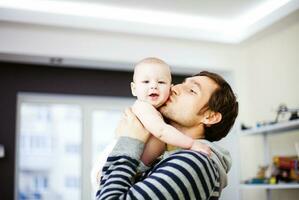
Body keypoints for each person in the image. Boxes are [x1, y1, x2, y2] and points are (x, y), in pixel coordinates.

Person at [96, 70, 238, 199]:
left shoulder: (194, 162)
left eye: (192, 90)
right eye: (182, 83)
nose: (174, 88)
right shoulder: (161, 156)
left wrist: (129, 141)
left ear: (210, 116)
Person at [91, 58, 210, 187]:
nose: (153, 86)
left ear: (170, 89)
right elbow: (161, 131)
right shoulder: (143, 107)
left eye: (161, 82)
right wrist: (191, 144)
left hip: (134, 168)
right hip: (108, 166)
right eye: (146, 81)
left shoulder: (162, 114)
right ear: (134, 89)